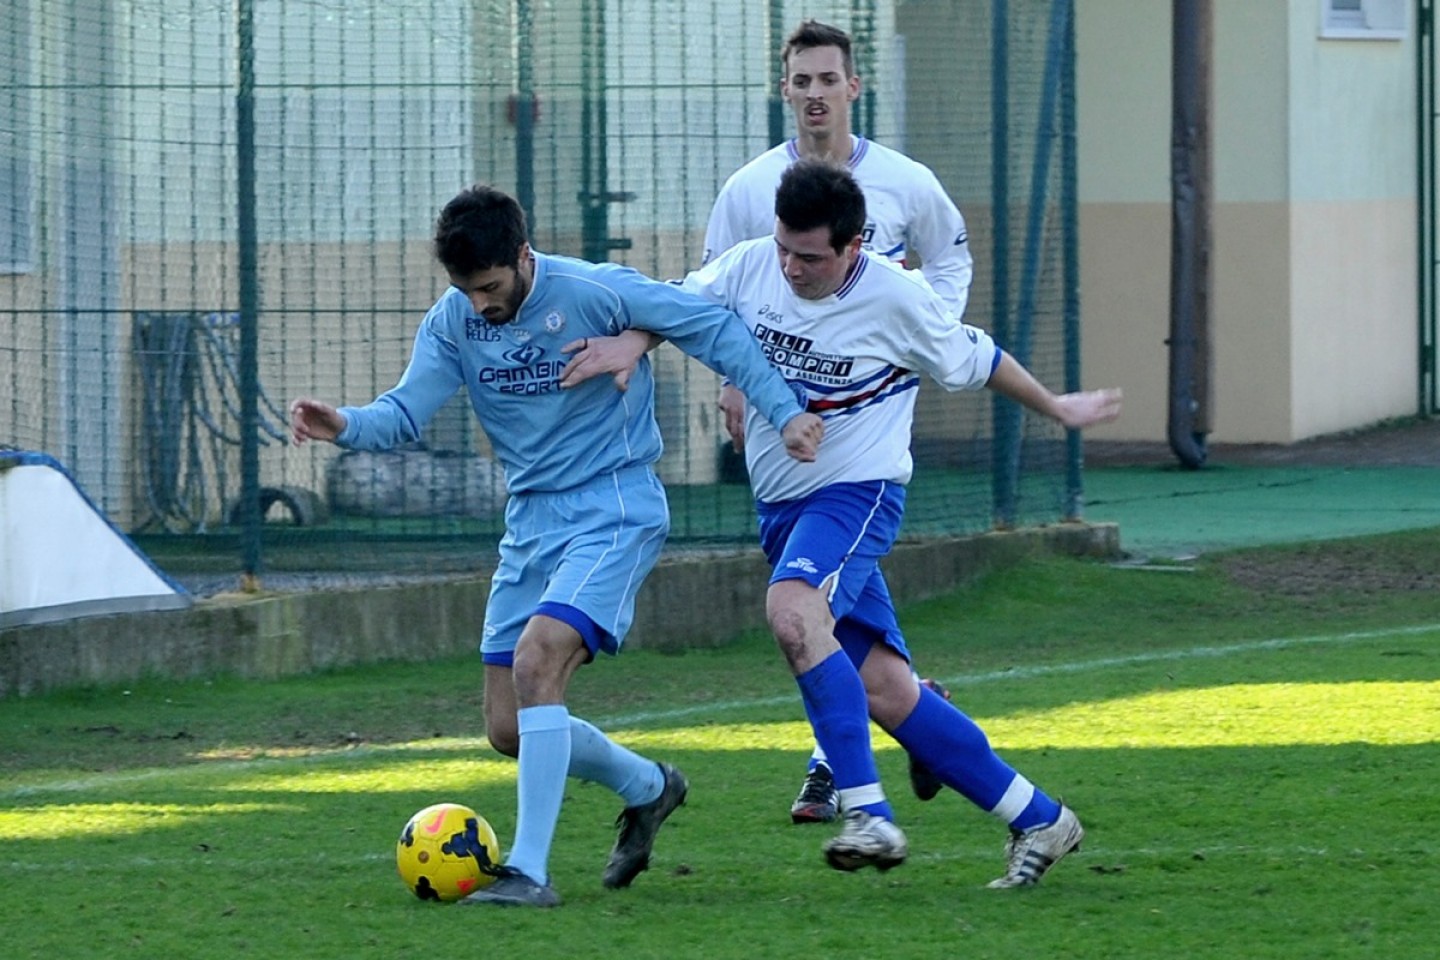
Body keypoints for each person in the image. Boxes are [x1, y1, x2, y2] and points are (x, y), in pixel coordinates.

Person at [567, 159, 1121, 887]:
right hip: (784, 508)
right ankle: (1041, 818)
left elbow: (979, 358)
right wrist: (630, 343)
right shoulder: (751, 264)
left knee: (792, 614)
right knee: (890, 692)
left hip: (856, 496)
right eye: (785, 249)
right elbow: (680, 308)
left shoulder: (898, 298)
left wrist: (1057, 408)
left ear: (855, 246)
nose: (792, 268)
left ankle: (867, 813)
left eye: (811, 256)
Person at [288, 184, 824, 908]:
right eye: (465, 290)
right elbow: (405, 412)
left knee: (540, 660)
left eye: (489, 286)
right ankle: (649, 786)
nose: (480, 304)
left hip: (614, 505)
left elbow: (714, 327)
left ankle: (529, 872)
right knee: (508, 727)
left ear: (522, 255)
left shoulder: (596, 290)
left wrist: (785, 413)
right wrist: (343, 424)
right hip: (531, 522)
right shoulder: (455, 321)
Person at [580, 18, 977, 824]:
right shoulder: (750, 190)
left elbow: (950, 255)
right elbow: (712, 296)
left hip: (864, 422)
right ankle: (921, 723)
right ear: (785, 89)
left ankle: (838, 771)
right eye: (802, 81)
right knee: (833, 591)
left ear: (853, 87)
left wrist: (923, 338)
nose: (815, 94)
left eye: (829, 79)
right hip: (781, 421)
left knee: (805, 599)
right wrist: (735, 384)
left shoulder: (904, 181)